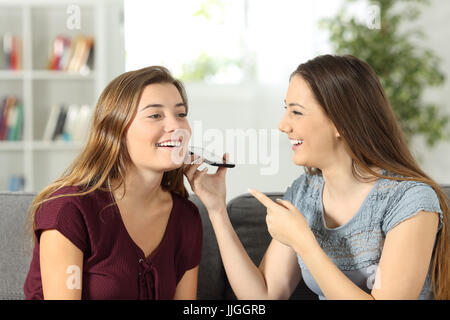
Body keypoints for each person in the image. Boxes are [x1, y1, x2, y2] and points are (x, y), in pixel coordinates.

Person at [184, 54, 449, 300]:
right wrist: (217, 210)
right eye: (285, 109)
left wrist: (303, 242)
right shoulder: (306, 193)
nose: (283, 125)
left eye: (296, 112)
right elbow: (263, 295)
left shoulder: (410, 200)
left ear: (341, 123)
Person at [24, 66, 202, 300]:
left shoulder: (186, 217)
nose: (176, 126)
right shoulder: (68, 210)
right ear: (116, 131)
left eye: (180, 114)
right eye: (155, 115)